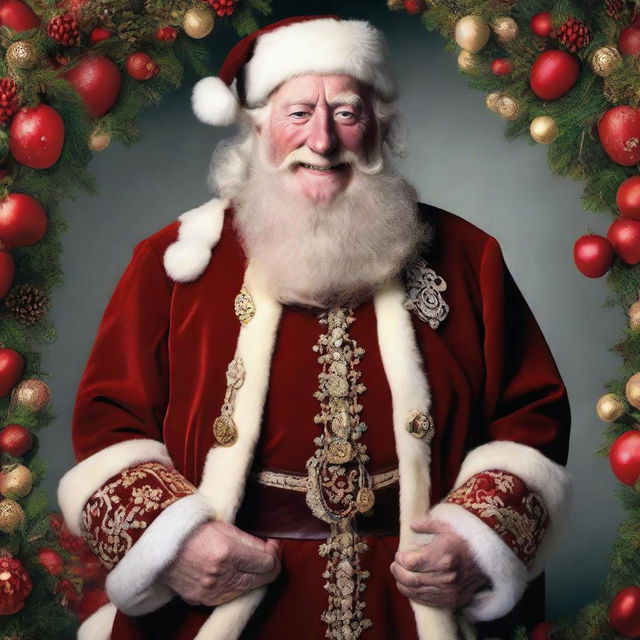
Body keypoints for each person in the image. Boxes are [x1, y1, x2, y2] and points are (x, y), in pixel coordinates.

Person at [57, 15, 571, 640]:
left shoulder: (468, 256)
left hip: (412, 609)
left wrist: (476, 540)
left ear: (381, 126)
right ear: (256, 129)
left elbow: (533, 418)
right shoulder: (172, 263)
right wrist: (174, 542)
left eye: (347, 113)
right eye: (298, 112)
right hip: (225, 607)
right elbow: (109, 422)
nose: (323, 140)